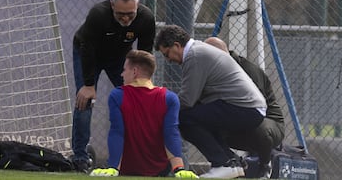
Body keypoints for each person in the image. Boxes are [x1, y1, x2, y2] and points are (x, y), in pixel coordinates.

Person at [154, 25, 267, 179]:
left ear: (176, 45)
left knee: (184, 118)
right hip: (248, 108)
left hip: (245, 108)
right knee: (201, 118)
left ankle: (223, 164)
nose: (168, 60)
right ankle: (232, 163)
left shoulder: (194, 55)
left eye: (167, 54)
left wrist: (157, 107)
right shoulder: (198, 51)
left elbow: (187, 100)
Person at [72, 0, 155, 172]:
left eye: (130, 14)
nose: (125, 18)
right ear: (112, 5)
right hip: (88, 54)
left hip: (119, 58)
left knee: (136, 100)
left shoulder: (146, 18)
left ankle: (136, 155)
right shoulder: (98, 15)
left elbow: (144, 55)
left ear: (138, 7)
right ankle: (80, 158)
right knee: (84, 101)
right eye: (120, 14)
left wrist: (142, 83)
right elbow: (87, 49)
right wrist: (88, 85)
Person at [89, 50, 198, 178]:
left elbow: (117, 132)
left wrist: (113, 167)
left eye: (124, 70)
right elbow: (171, 133)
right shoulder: (169, 98)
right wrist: (179, 169)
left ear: (134, 71)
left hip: (126, 168)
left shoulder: (118, 96)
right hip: (160, 169)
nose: (122, 74)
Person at [204, 37, 285, 178]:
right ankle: (231, 162)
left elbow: (256, 108)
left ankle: (265, 164)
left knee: (260, 128)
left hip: (266, 120)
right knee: (201, 123)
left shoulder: (248, 70)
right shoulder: (210, 72)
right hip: (234, 119)